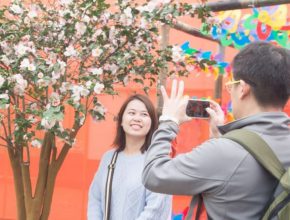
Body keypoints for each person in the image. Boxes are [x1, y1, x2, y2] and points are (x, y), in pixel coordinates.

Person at [142, 41, 290, 219]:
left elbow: (153, 174)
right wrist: (219, 139)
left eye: (231, 84)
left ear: (242, 88)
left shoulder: (223, 152)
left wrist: (168, 122)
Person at [88, 94, 172, 220]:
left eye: (144, 114)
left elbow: (155, 210)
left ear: (152, 123)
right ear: (121, 120)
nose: (137, 118)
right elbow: (95, 199)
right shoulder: (109, 158)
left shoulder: (157, 162)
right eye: (132, 113)